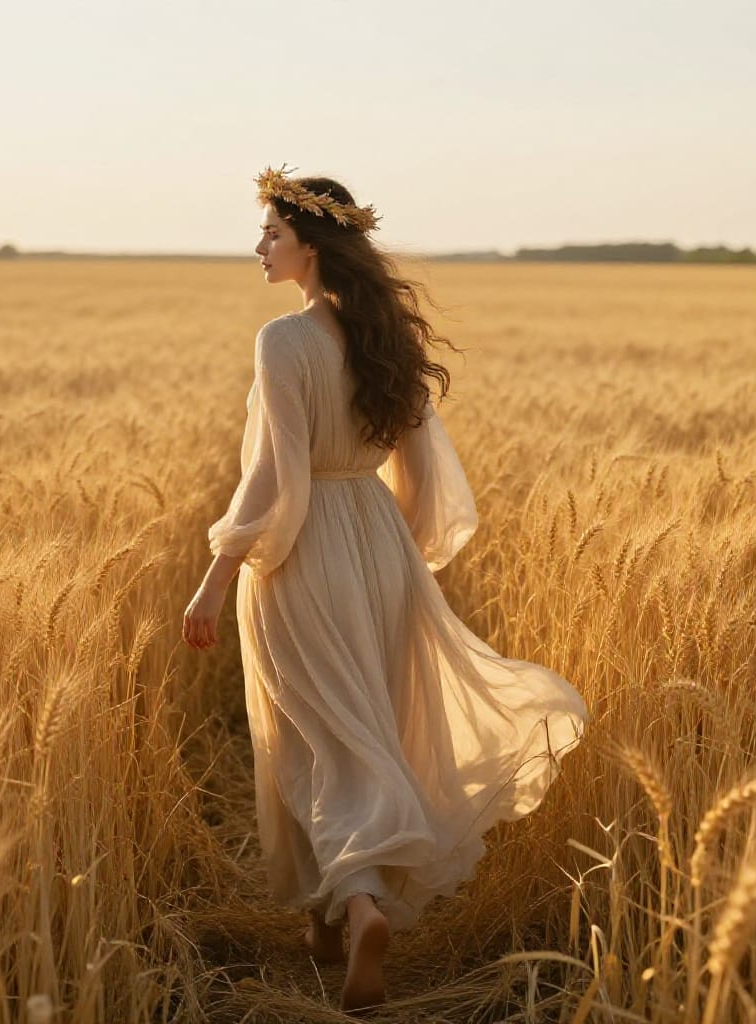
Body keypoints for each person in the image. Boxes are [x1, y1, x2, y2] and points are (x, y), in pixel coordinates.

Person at [181, 164, 589, 1013]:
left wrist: (218, 575)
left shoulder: (283, 340)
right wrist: (390, 557)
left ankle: (360, 902)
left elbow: (271, 479)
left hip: (307, 552)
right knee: (366, 727)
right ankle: (331, 921)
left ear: (312, 243)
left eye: (272, 235)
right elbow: (420, 475)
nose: (259, 248)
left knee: (313, 734)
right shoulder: (385, 340)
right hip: (380, 543)